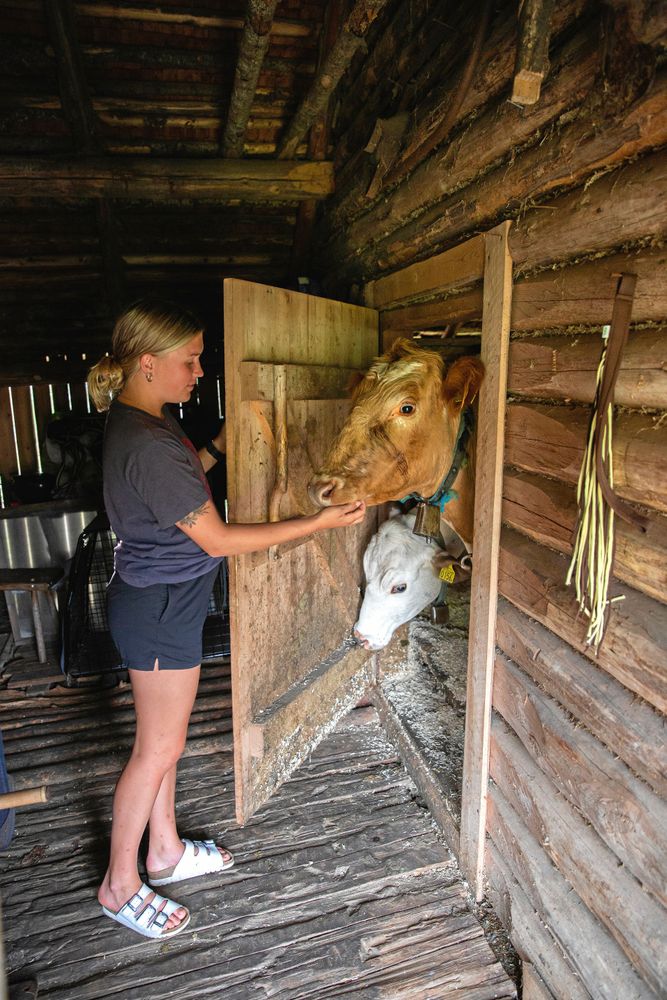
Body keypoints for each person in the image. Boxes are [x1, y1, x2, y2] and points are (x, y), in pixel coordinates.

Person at [87, 299, 366, 940]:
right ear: (149, 363)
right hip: (159, 609)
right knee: (157, 746)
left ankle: (164, 850)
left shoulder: (142, 421)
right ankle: (118, 882)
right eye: (190, 360)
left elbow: (181, 490)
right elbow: (213, 538)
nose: (198, 370)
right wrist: (318, 522)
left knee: (168, 741)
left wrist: (213, 446)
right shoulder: (148, 440)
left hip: (160, 601)